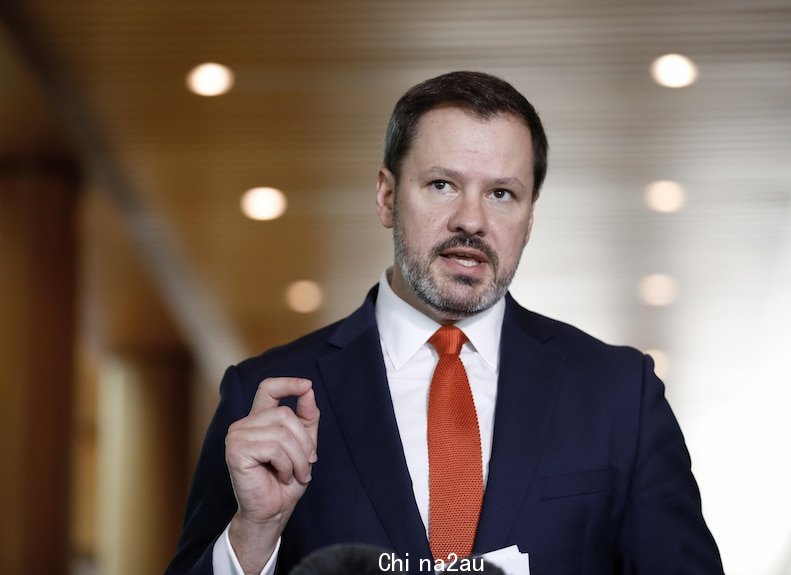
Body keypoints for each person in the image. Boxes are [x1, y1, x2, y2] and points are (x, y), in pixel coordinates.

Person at [166, 71, 723, 574]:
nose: (472, 221)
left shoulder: (619, 395)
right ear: (387, 196)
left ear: (529, 219)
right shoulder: (268, 395)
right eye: (442, 185)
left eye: (502, 194)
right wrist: (254, 534)